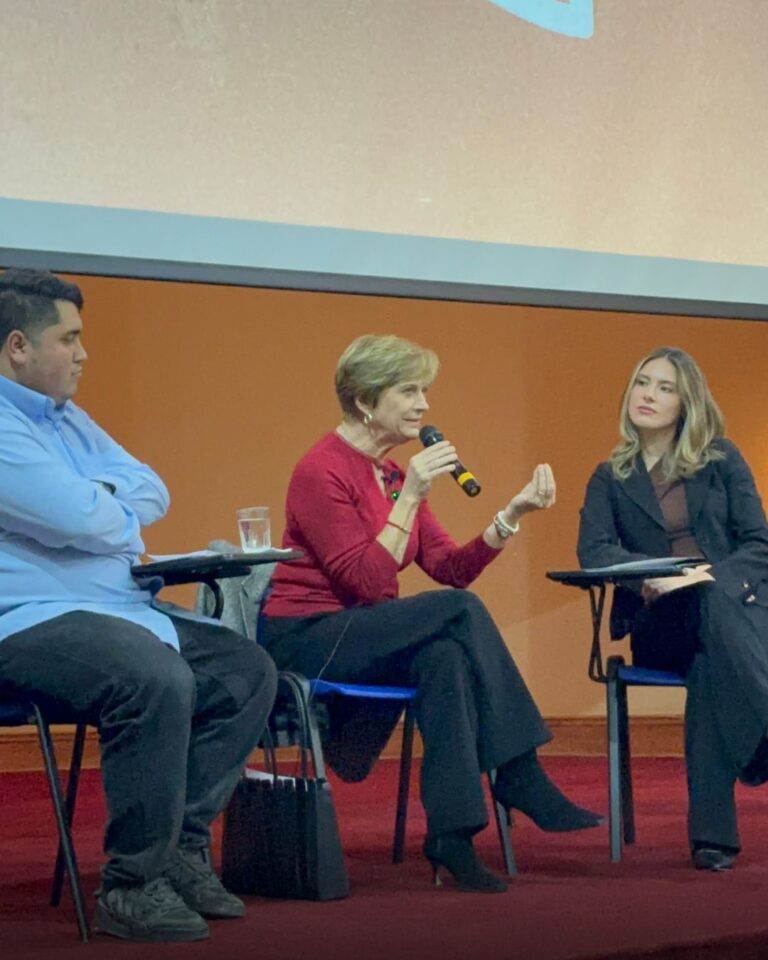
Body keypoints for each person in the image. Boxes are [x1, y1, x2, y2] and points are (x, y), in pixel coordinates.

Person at [261, 333, 602, 894]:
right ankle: (519, 772)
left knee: (444, 657)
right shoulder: (320, 470)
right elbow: (365, 581)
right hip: (307, 636)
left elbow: (450, 568)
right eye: (410, 391)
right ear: (365, 400)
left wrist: (510, 516)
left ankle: (452, 835)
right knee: (458, 613)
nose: (424, 405)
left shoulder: (393, 475)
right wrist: (413, 496)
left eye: (425, 391)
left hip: (363, 631)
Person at [0, 269, 277, 941]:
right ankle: (132, 884)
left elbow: (151, 487)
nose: (83, 353)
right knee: (152, 675)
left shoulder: (68, 420)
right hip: (28, 617)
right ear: (18, 346)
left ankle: (180, 849)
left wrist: (96, 502)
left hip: (120, 607)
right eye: (69, 338)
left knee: (246, 672)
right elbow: (74, 515)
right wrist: (102, 507)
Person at [577, 346, 768, 872]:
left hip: (729, 614)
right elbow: (595, 551)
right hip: (661, 622)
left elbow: (758, 543)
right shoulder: (610, 476)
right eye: (642, 383)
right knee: (707, 612)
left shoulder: (721, 460)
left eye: (665, 388)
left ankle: (714, 839)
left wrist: (710, 577)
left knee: (709, 660)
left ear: (687, 404)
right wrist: (659, 573)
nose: (648, 395)